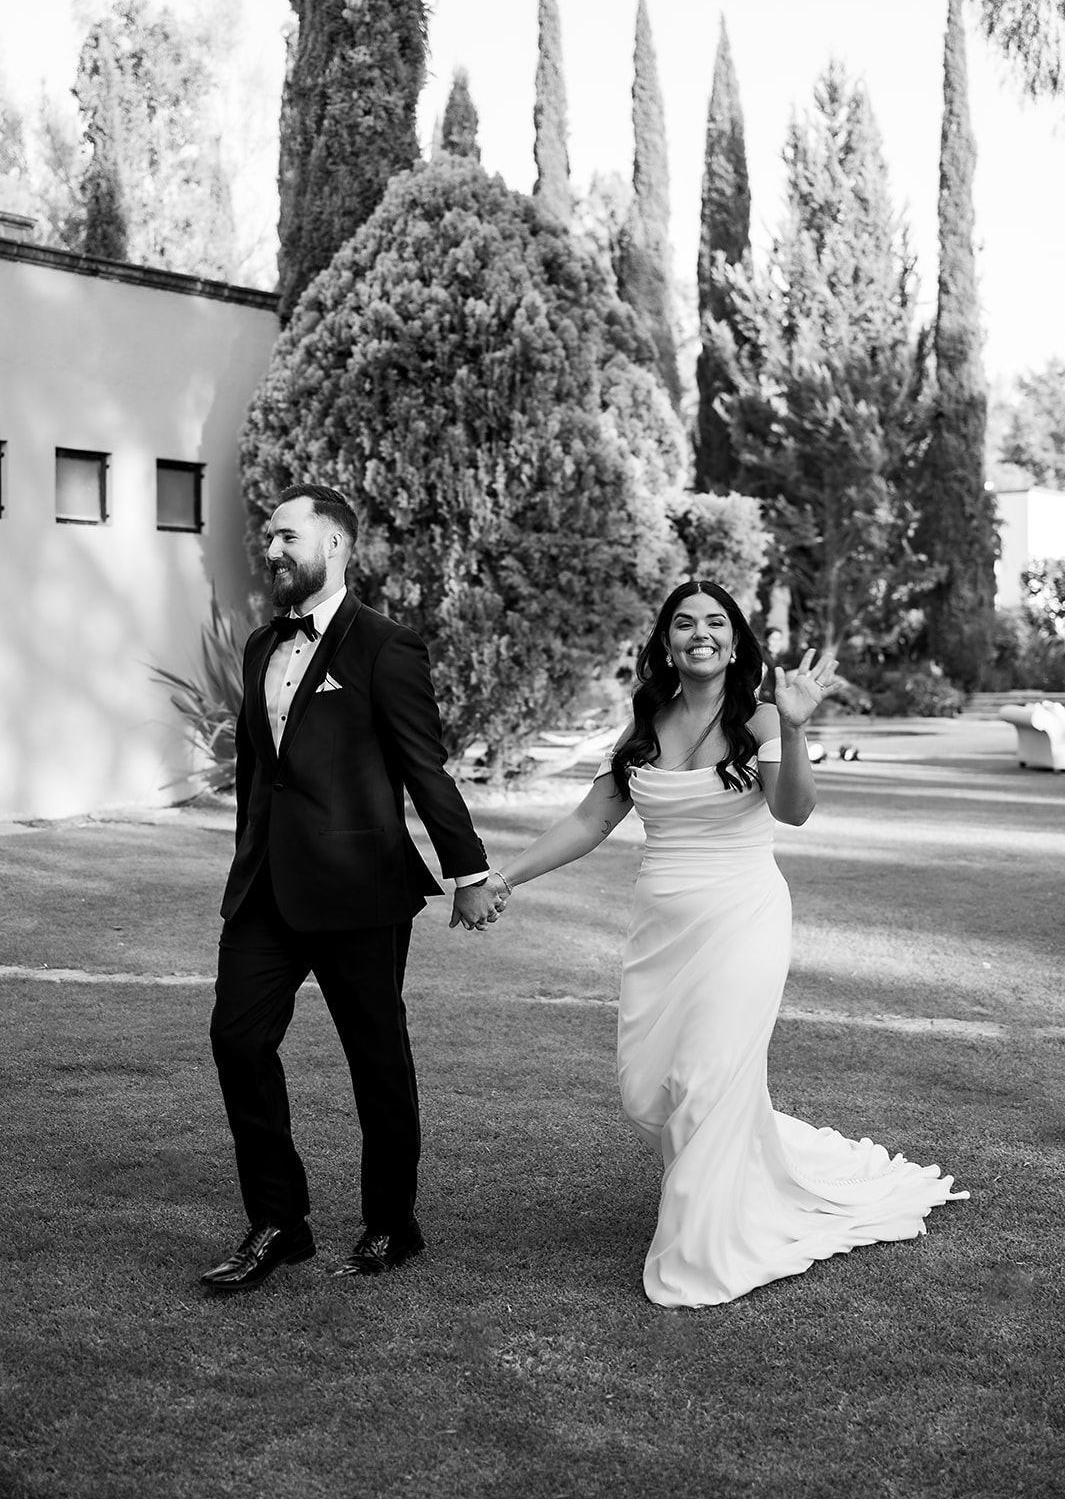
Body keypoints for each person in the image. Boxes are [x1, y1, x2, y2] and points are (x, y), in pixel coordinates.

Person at [487, 581, 968, 1308]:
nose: (699, 633)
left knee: (707, 1079)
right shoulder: (646, 721)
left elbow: (793, 810)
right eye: (684, 623)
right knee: (646, 1091)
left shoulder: (762, 717)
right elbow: (589, 820)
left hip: (742, 918)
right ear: (666, 642)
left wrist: (798, 728)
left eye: (714, 622)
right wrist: (504, 877)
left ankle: (702, 1250)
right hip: (662, 931)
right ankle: (750, 1169)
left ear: (735, 641)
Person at [201, 483, 503, 1294]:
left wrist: (465, 872)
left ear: (333, 545)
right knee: (236, 1039)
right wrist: (245, 866)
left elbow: (422, 765)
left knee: (375, 1059)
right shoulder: (262, 644)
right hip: (265, 892)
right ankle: (277, 1222)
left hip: (361, 893)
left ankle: (389, 1225)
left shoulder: (385, 646)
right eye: (267, 536)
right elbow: (259, 776)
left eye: (286, 536)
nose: (271, 550)